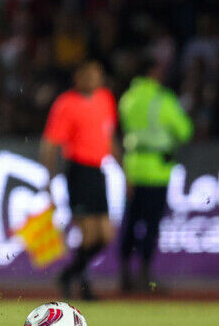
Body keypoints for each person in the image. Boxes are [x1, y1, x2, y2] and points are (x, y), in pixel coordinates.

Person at [41, 60, 120, 300]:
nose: (93, 79)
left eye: (97, 74)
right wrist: (48, 180)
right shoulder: (66, 103)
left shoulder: (106, 99)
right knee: (88, 233)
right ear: (78, 77)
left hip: (98, 171)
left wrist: (122, 169)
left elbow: (110, 137)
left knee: (106, 234)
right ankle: (84, 286)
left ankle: (69, 274)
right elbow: (50, 144)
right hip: (78, 170)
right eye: (88, 74)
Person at [118, 56, 193, 292]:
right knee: (150, 225)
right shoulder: (163, 98)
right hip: (157, 170)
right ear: (152, 72)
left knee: (130, 222)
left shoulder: (127, 97)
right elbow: (185, 130)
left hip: (131, 167)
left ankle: (124, 276)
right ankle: (145, 277)